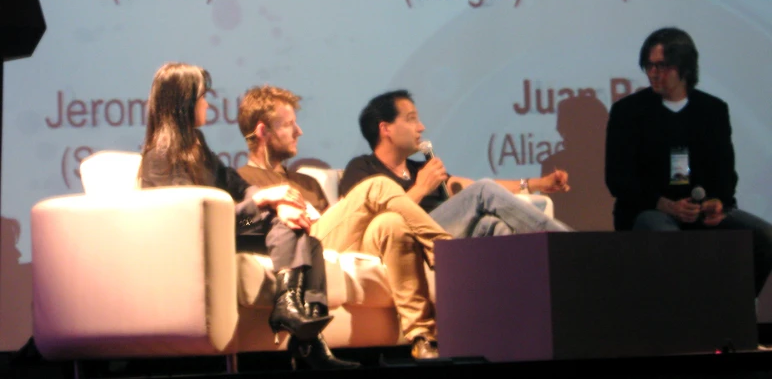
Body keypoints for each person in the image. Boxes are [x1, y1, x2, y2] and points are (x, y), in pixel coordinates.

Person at [138, 63, 358, 370]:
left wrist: (270, 200)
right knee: (285, 221)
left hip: (230, 227)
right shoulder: (160, 156)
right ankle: (295, 319)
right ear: (184, 101)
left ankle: (306, 334)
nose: (207, 104)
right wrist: (266, 201)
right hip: (199, 240)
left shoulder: (196, 145)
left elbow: (238, 186)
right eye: (203, 97)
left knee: (306, 240)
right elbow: (190, 220)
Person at [236, 85, 453, 359]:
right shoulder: (244, 181)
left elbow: (340, 225)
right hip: (303, 248)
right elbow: (241, 225)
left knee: (392, 225)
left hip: (336, 245)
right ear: (262, 132)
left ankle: (423, 339)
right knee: (377, 186)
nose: (299, 131)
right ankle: (448, 253)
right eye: (289, 125)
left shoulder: (307, 181)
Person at [605, 27, 772, 295]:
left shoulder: (712, 110)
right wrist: (666, 204)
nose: (653, 73)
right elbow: (618, 179)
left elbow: (725, 173)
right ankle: (686, 320)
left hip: (700, 214)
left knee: (764, 237)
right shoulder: (629, 112)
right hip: (649, 211)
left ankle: (733, 308)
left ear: (684, 67)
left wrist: (717, 202)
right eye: (648, 66)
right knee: (667, 237)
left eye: (662, 66)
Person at [339, 90, 573, 239]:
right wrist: (420, 189)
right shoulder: (362, 169)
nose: (421, 127)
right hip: (407, 240)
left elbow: (470, 188)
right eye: (411, 119)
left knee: (493, 226)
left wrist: (538, 183)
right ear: (385, 128)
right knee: (483, 192)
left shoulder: (419, 168)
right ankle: (569, 244)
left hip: (443, 236)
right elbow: (368, 225)